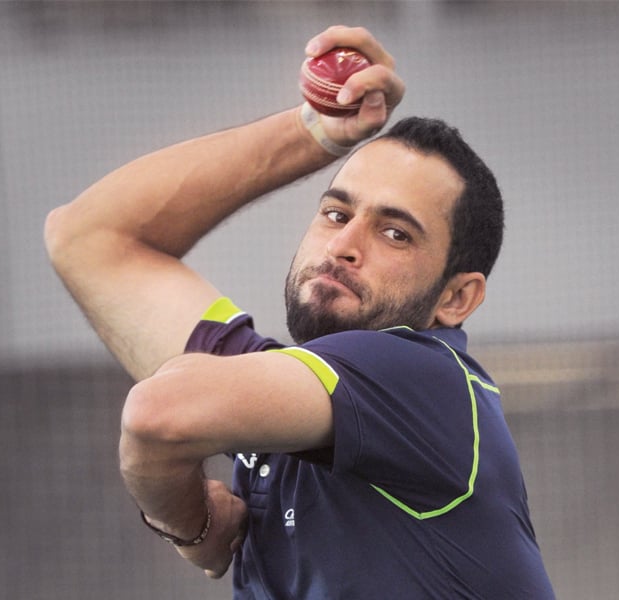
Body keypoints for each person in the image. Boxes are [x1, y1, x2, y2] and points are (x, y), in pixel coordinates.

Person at [45, 25, 554, 599]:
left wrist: (196, 528)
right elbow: (88, 239)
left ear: (455, 299)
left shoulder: (425, 380)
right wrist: (315, 130)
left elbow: (160, 413)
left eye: (394, 233)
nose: (344, 245)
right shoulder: (273, 406)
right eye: (337, 214)